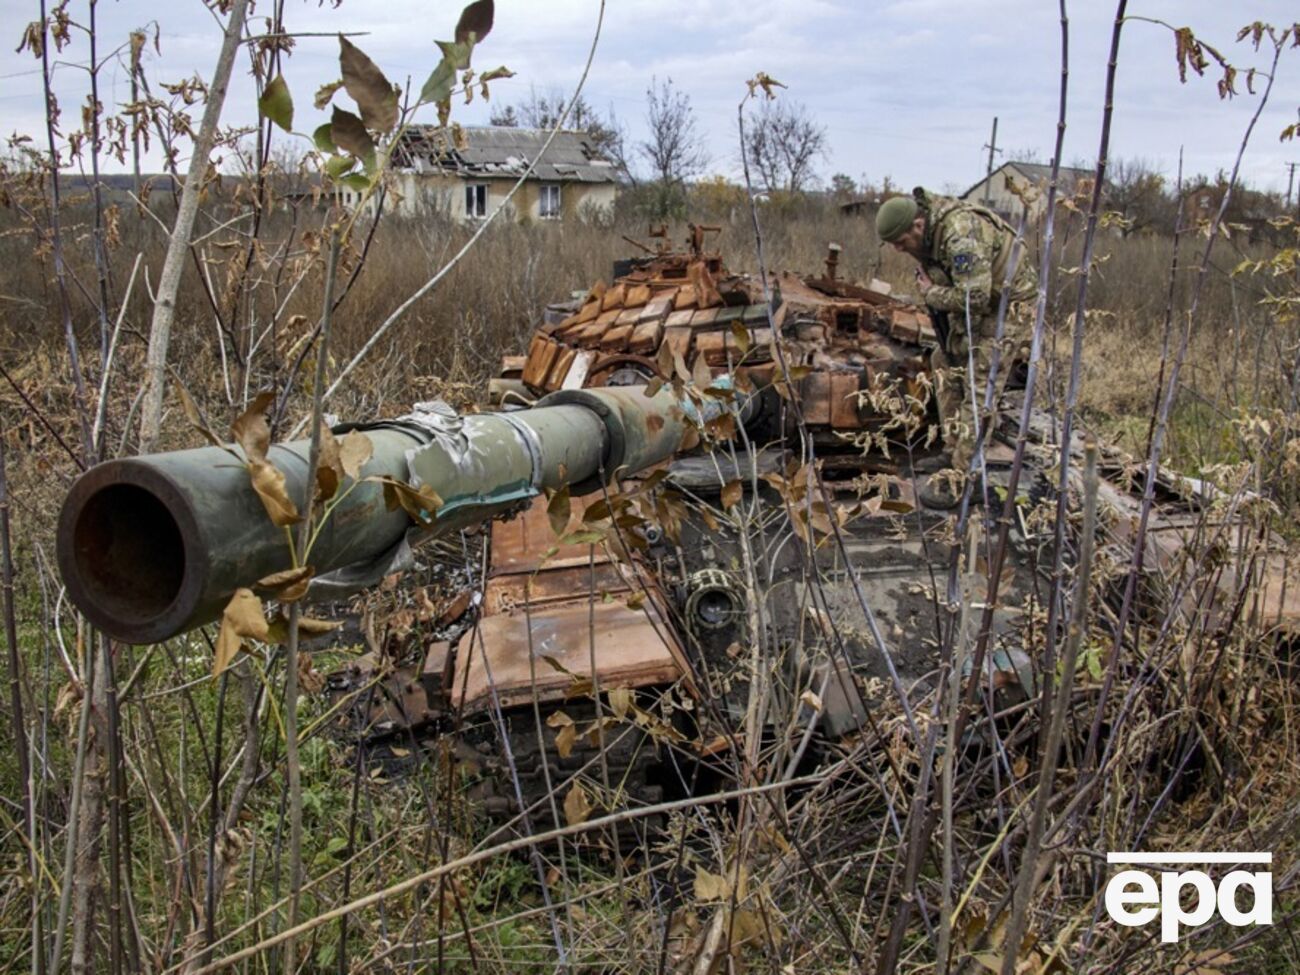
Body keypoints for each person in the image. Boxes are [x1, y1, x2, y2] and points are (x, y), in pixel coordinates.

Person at [875, 188, 1037, 486]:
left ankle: (964, 477)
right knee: (943, 361)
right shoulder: (930, 237)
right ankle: (952, 451)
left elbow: (974, 296)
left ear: (918, 226)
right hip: (983, 305)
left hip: (1009, 308)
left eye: (901, 242)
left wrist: (931, 293)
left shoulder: (959, 232)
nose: (898, 249)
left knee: (979, 384)